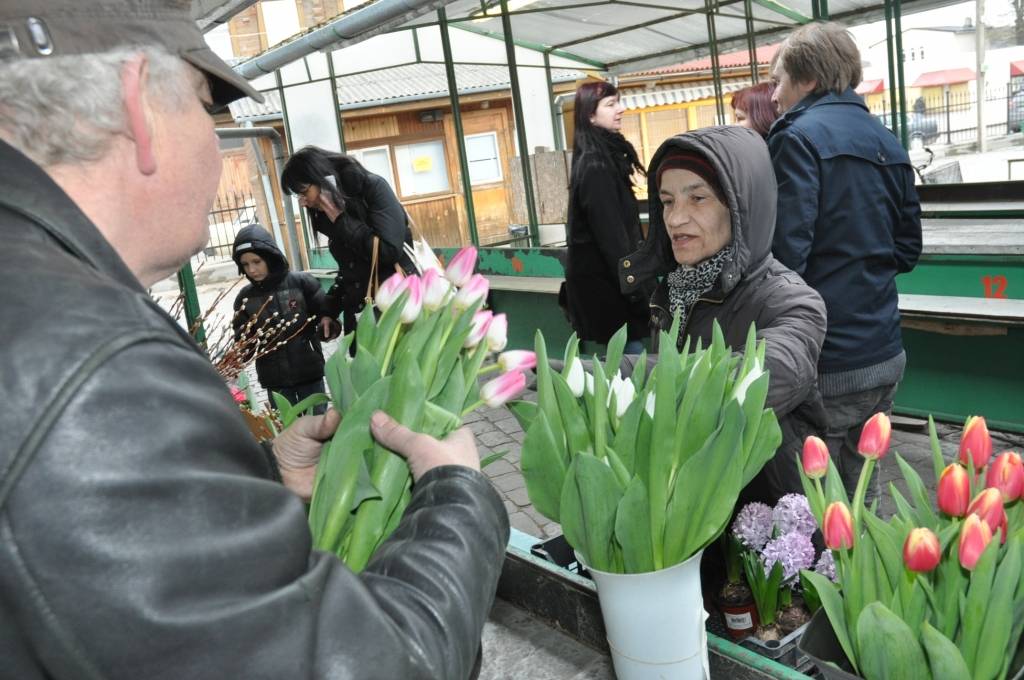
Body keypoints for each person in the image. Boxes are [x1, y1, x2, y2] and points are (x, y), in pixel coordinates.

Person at [0, 2, 508, 679]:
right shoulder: (95, 366)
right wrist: (456, 494)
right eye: (208, 108)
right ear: (137, 105)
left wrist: (264, 473)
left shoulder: (37, 302)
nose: (217, 149)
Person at [618, 126, 828, 505]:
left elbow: (751, 379)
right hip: (691, 506)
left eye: (697, 198)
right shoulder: (674, 291)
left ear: (741, 208)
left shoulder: (792, 301)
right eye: (667, 201)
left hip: (768, 516)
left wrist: (603, 375)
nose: (675, 219)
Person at [767, 22, 922, 502]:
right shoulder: (888, 142)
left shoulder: (796, 139)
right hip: (884, 350)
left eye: (778, 81)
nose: (774, 96)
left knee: (815, 503)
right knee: (862, 495)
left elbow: (785, 259)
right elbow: (907, 250)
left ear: (808, 79)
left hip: (827, 359)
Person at [280, 146, 415, 345]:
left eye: (304, 192)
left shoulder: (373, 188)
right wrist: (329, 312)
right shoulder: (327, 215)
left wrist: (341, 219)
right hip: (365, 315)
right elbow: (351, 271)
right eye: (297, 196)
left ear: (322, 178)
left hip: (398, 310)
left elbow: (388, 251)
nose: (303, 202)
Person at [563, 81, 652, 355]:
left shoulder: (603, 157)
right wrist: (636, 290)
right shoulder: (596, 166)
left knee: (629, 360)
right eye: (611, 104)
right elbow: (612, 238)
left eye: (619, 102)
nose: (620, 109)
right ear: (590, 115)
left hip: (611, 287)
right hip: (609, 292)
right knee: (634, 363)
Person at [232, 223, 330, 413]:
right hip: (275, 380)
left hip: (308, 371)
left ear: (270, 257)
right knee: (288, 425)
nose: (252, 269)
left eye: (257, 261)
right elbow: (243, 339)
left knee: (318, 423)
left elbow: (326, 314)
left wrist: (328, 325)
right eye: (245, 264)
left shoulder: (302, 283)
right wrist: (241, 352)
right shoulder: (245, 298)